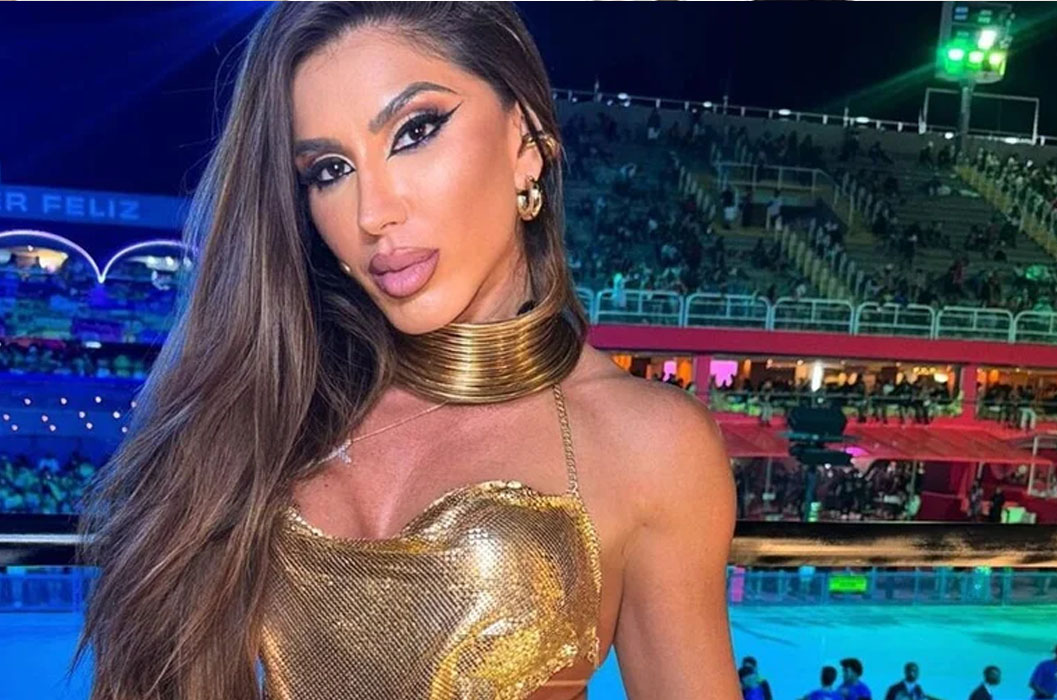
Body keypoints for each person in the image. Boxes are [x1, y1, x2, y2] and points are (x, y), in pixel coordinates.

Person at [74, 4, 738, 699]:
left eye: (414, 132)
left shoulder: (650, 445)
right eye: (329, 170)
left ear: (526, 140)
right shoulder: (269, 404)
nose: (372, 213)